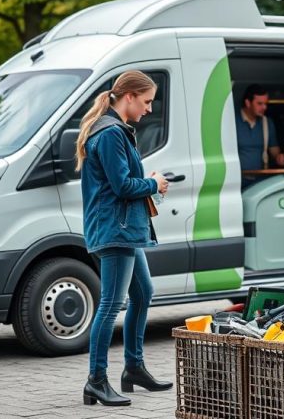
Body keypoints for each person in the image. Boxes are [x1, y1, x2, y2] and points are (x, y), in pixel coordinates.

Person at [75, 70, 173, 406]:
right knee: (110, 305)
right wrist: (154, 184)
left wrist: (145, 182)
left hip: (123, 230)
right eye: (146, 102)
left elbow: (116, 181)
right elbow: (122, 186)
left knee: (143, 293)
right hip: (115, 231)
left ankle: (133, 369)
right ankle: (96, 380)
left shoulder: (112, 130)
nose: (148, 109)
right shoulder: (111, 133)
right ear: (129, 96)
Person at [236, 84, 284, 187]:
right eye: (259, 103)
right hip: (236, 182)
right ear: (248, 103)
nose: (264, 107)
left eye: (266, 103)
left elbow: (275, 152)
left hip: (260, 183)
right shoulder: (233, 121)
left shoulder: (267, 123)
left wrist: (280, 157)